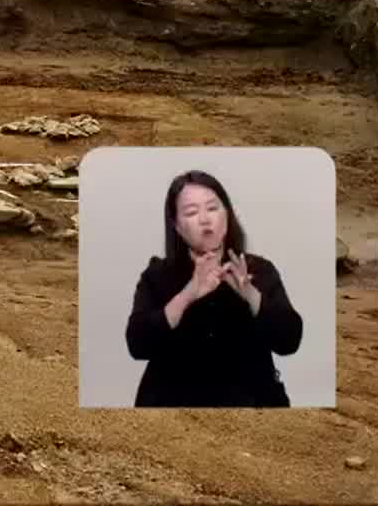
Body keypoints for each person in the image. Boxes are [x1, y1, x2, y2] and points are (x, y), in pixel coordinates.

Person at [125, 170, 304, 406]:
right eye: (191, 212)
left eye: (212, 208)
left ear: (226, 216)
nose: (204, 219)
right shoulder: (157, 275)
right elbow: (138, 345)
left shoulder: (258, 270)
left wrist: (250, 294)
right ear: (176, 226)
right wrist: (188, 293)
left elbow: (289, 341)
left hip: (252, 408)